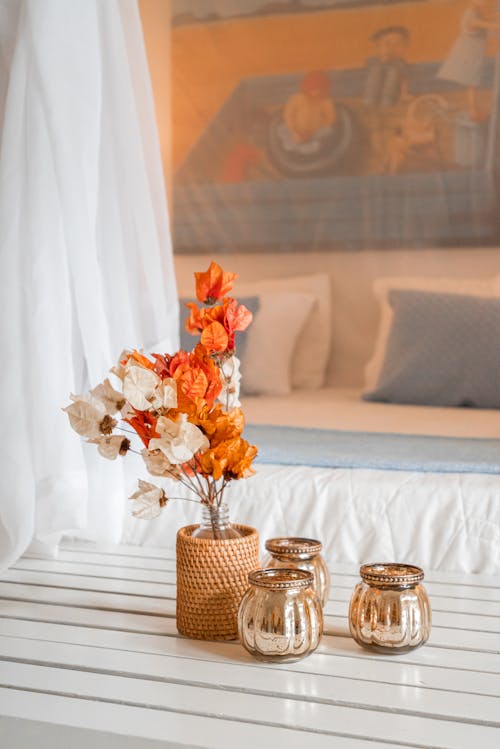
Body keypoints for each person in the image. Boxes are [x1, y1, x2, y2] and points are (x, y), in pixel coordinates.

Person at [438, 0, 500, 121]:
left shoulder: (476, 12)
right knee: (471, 81)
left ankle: (474, 110)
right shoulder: (470, 15)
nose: (485, 2)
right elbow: (487, 25)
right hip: (468, 53)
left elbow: (488, 19)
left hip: (473, 52)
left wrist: (495, 18)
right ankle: (473, 111)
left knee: (472, 81)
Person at [279, 70, 336, 154]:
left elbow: (330, 119)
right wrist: (294, 131)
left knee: (327, 132)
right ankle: (297, 144)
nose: (315, 92)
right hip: (295, 130)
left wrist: (314, 131)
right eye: (312, 89)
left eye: (319, 89)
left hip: (315, 132)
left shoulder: (326, 101)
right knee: (283, 134)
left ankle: (306, 146)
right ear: (306, 87)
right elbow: (288, 115)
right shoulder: (296, 98)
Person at [364, 26, 411, 109]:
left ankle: (386, 103)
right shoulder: (372, 61)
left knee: (394, 72)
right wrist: (383, 60)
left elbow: (404, 80)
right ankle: (369, 101)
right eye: (387, 44)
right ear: (378, 47)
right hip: (372, 94)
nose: (392, 48)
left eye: (397, 44)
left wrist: (404, 94)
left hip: (391, 94)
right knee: (376, 70)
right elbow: (366, 77)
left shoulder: (400, 64)